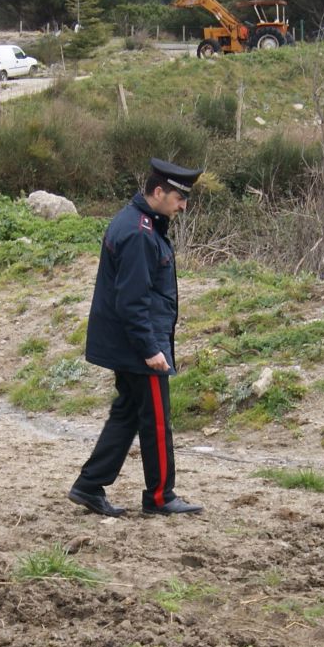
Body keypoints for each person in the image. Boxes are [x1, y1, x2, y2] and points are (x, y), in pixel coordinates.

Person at [69, 157, 204, 518]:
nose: (183, 205)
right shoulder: (139, 234)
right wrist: (150, 350)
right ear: (158, 192)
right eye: (179, 197)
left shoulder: (138, 224)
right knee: (156, 420)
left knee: (127, 413)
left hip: (127, 342)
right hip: (138, 345)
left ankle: (89, 485)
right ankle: (160, 496)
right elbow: (132, 301)